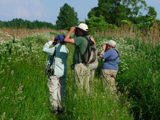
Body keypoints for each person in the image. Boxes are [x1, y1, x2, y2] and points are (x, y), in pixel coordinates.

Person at [42, 34, 69, 115]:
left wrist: (51, 41)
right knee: (61, 90)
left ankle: (54, 108)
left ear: (59, 40)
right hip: (63, 72)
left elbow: (44, 49)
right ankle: (61, 107)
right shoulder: (67, 49)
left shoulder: (55, 48)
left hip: (55, 72)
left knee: (53, 90)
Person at [64, 23, 90, 93]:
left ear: (81, 31)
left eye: (77, 30)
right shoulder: (87, 38)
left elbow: (66, 40)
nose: (76, 31)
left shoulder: (80, 39)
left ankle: (79, 99)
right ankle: (85, 100)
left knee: (78, 87)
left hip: (79, 65)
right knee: (85, 87)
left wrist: (70, 31)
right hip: (86, 65)